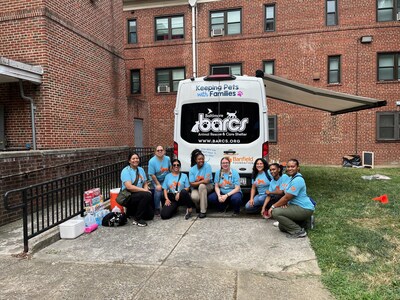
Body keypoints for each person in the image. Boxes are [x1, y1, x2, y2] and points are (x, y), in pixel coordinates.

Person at [269, 159, 315, 238]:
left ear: (298, 168)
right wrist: (286, 203)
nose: (290, 168)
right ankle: (305, 222)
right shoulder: (291, 179)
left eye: (292, 166)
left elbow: (287, 197)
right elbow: (287, 195)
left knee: (276, 212)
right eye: (288, 167)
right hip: (295, 206)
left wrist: (273, 206)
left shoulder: (298, 180)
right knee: (282, 227)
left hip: (304, 208)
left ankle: (298, 231)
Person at [120, 152, 154, 227]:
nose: (135, 160)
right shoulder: (126, 171)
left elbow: (145, 183)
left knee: (150, 216)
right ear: (129, 161)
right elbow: (129, 187)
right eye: (133, 159)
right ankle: (137, 219)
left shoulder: (140, 170)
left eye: (137, 158)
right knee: (146, 195)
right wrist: (145, 191)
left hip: (138, 194)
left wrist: (146, 189)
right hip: (128, 196)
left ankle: (132, 212)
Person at [189, 149, 214, 218]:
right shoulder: (192, 169)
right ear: (195, 160)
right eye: (199, 159)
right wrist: (202, 181)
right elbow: (191, 183)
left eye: (202, 159)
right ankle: (198, 206)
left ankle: (203, 211)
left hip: (208, 186)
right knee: (194, 197)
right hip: (196, 188)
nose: (201, 160)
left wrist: (197, 182)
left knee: (202, 186)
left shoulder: (207, 166)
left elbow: (207, 181)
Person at [148, 145, 171, 215]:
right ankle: (157, 208)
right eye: (158, 150)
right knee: (158, 190)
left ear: (164, 151)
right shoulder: (152, 161)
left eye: (161, 150)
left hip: (165, 179)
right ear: (155, 152)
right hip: (155, 179)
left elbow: (170, 170)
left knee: (169, 188)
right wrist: (158, 184)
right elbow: (152, 174)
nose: (160, 151)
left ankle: (167, 205)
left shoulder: (167, 159)